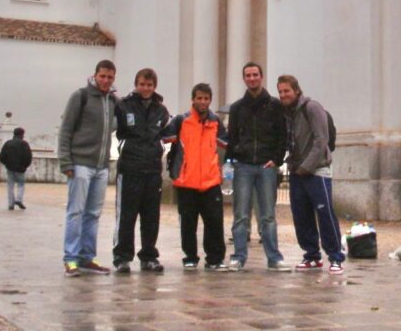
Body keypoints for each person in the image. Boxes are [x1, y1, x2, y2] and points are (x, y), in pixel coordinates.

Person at [276, 75, 345, 274]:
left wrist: (307, 166)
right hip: (298, 170)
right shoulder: (287, 113)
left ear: (296, 90)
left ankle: (335, 256)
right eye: (280, 92)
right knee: (301, 216)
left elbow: (321, 140)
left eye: (286, 91)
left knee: (325, 214)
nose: (283, 95)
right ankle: (312, 255)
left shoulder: (312, 108)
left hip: (317, 171)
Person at [226, 62, 289, 271]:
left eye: (255, 75)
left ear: (261, 77)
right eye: (248, 75)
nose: (252, 78)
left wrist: (277, 159)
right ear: (244, 79)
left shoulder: (275, 105)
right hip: (243, 165)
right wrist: (232, 159)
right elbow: (232, 137)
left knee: (268, 215)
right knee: (241, 215)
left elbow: (282, 135)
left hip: (266, 166)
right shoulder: (236, 108)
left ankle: (274, 257)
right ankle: (238, 256)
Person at [58, 60, 118, 278]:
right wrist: (65, 161)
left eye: (110, 77)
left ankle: (87, 256)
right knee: (76, 211)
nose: (106, 80)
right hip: (80, 163)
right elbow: (66, 130)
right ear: (95, 75)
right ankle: (71, 258)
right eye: (102, 76)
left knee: (93, 214)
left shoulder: (112, 101)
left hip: (101, 166)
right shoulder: (80, 97)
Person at [163, 82, 228, 271]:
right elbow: (165, 137)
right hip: (186, 180)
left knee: (214, 222)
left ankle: (215, 258)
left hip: (210, 180)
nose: (202, 102)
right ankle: (190, 257)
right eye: (199, 98)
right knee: (188, 223)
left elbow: (226, 143)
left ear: (210, 100)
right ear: (193, 99)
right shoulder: (181, 120)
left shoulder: (215, 121)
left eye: (206, 98)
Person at [112, 68, 171, 274]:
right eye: (142, 84)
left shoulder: (161, 110)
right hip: (129, 168)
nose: (145, 88)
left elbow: (167, 134)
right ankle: (122, 257)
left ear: (154, 86)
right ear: (136, 84)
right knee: (126, 216)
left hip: (152, 170)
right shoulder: (123, 106)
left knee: (151, 217)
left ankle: (148, 256)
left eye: (149, 85)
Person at [0, 127, 33, 210]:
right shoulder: (24, 144)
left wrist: (7, 164)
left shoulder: (8, 143)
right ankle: (19, 199)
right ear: (22, 135)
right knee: (21, 184)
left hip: (10, 168)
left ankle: (11, 203)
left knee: (10, 186)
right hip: (21, 169)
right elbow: (29, 157)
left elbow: (1, 156)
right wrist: (25, 166)